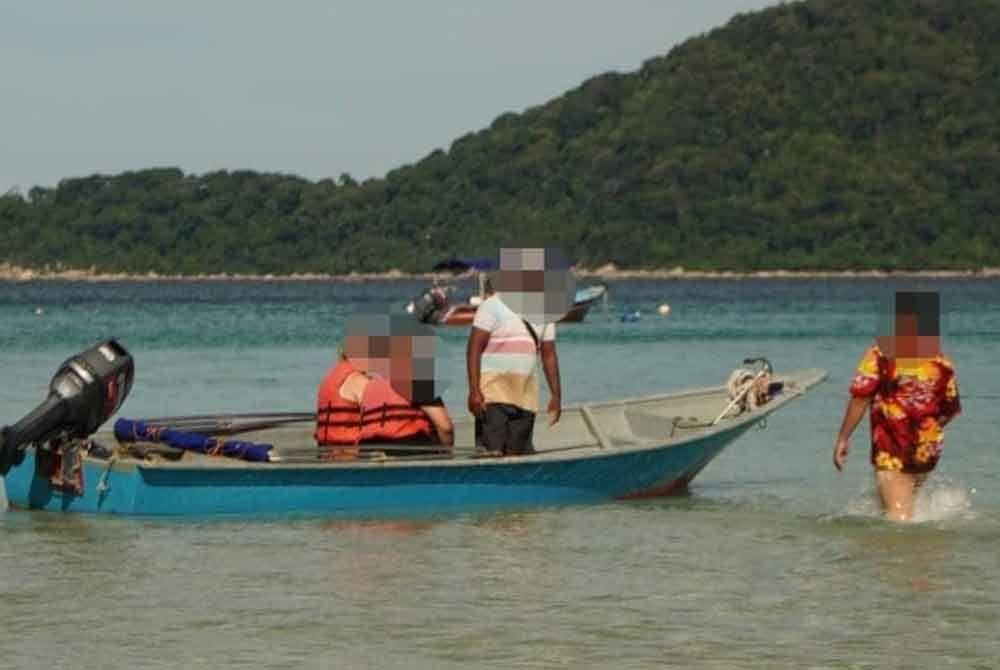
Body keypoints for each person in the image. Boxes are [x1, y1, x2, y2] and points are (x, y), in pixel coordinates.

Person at [833, 291, 961, 521]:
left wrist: (843, 438)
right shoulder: (941, 361)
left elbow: (861, 397)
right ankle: (920, 555)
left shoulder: (881, 355)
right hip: (927, 449)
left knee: (899, 517)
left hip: (892, 446)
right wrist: (924, 428)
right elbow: (950, 409)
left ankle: (902, 555)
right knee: (906, 506)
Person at [466, 247, 574, 456]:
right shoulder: (492, 306)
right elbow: (473, 349)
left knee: (517, 455)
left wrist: (556, 396)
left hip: (526, 396)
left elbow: (549, 355)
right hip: (493, 395)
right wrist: (474, 391)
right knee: (492, 455)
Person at [315, 316, 453, 459]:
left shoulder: (369, 384)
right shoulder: (363, 382)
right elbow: (445, 428)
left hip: (351, 450)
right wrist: (448, 457)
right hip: (397, 449)